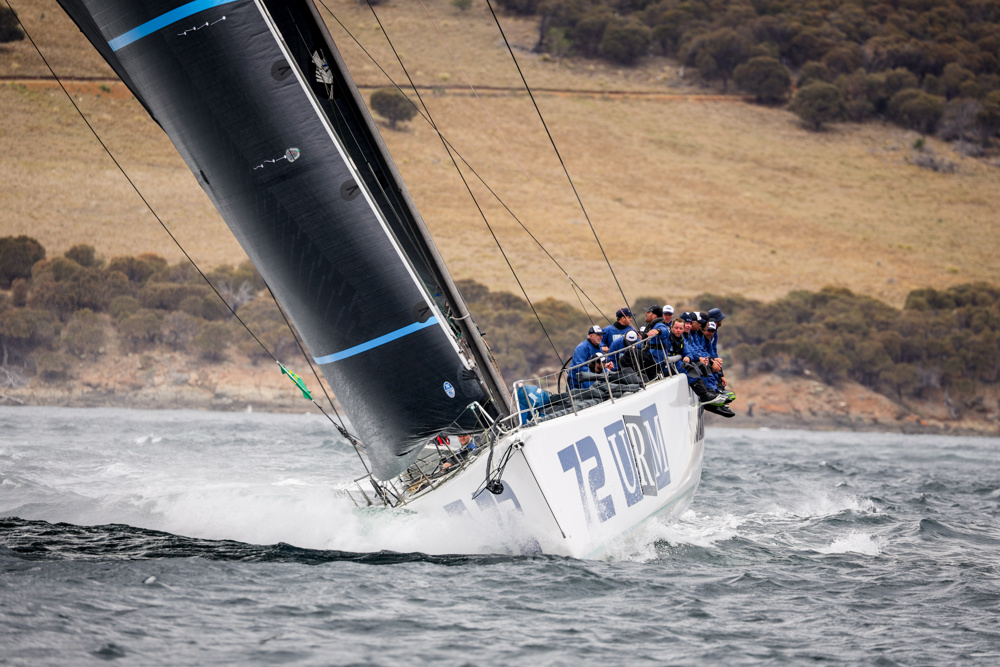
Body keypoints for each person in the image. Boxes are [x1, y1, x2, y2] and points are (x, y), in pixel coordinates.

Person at [569, 325, 611, 389]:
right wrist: (597, 373)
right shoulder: (581, 347)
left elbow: (599, 364)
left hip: (591, 378)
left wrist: (605, 368)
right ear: (591, 336)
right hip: (576, 381)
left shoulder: (599, 348)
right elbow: (580, 367)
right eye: (598, 335)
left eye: (601, 335)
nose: (601, 337)